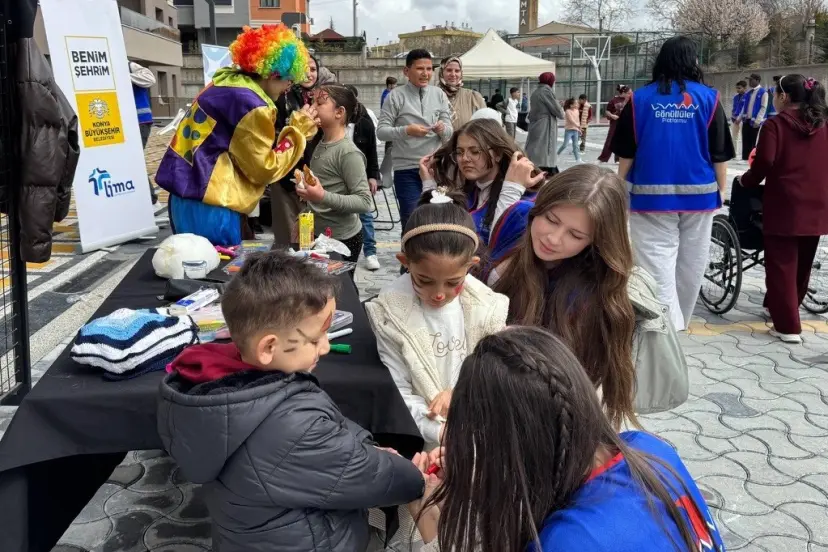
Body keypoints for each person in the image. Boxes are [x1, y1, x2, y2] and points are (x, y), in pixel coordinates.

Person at [157, 251, 425, 552]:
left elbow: (334, 450)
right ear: (268, 347)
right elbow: (375, 478)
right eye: (314, 339)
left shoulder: (212, 388)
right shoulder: (291, 426)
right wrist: (413, 475)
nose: (325, 347)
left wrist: (366, 448)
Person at [408, 327, 725, 552]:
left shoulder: (566, 541)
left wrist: (432, 526)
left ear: (507, 449)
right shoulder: (647, 448)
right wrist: (483, 485)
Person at [490, 164, 687, 427]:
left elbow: (593, 398)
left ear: (596, 241)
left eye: (575, 234)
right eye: (551, 219)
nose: (554, 238)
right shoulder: (515, 228)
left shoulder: (601, 296)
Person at [365, 189, 509, 449]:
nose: (439, 294)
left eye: (453, 282)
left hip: (482, 433)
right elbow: (400, 391)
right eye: (424, 280)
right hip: (426, 440)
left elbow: (497, 374)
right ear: (404, 262)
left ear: (471, 265)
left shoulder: (487, 308)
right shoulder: (390, 315)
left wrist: (463, 394)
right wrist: (441, 432)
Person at [155, 25, 319, 246]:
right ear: (272, 73)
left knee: (191, 266)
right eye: (288, 80)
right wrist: (297, 132)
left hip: (183, 197)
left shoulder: (223, 82)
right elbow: (265, 169)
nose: (288, 87)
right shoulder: (252, 105)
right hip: (212, 203)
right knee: (216, 272)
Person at [612, 36, 735, 331]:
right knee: (693, 262)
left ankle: (667, 327)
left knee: (655, 264)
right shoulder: (710, 98)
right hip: (700, 196)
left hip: (650, 198)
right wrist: (721, 189)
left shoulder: (639, 100)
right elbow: (719, 152)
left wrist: (617, 187)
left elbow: (626, 153)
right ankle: (680, 322)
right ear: (693, 62)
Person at [739, 75, 828, 344]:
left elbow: (764, 161)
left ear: (784, 97)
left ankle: (788, 325)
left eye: (776, 94)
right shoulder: (822, 124)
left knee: (781, 264)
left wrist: (747, 180)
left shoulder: (775, 125)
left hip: (785, 203)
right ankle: (782, 306)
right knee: (802, 262)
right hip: (818, 202)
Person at [421, 118, 546, 273]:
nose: (465, 159)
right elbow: (434, 230)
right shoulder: (471, 191)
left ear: (498, 154)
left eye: (475, 151)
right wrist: (429, 183)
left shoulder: (524, 198)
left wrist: (511, 189)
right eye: (460, 152)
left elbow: (498, 245)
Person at [295, 84, 373, 266]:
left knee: (340, 291)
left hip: (342, 239)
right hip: (318, 233)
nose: (312, 108)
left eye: (319, 104)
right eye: (312, 102)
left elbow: (364, 202)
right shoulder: (320, 142)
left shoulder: (348, 152)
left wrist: (322, 196)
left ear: (339, 112)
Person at [377, 49, 453, 233]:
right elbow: (381, 132)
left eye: (429, 69)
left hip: (436, 168)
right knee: (411, 220)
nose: (425, 73)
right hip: (407, 170)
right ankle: (409, 261)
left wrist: (443, 129)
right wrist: (406, 130)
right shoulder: (395, 96)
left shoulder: (439, 94)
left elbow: (450, 132)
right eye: (420, 68)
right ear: (406, 71)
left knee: (439, 220)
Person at [269, 55, 337, 246]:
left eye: (314, 69)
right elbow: (275, 134)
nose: (309, 73)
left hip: (315, 170)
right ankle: (288, 270)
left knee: (309, 231)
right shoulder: (281, 98)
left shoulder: (324, 97)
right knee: (289, 230)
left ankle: (306, 266)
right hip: (286, 171)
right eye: (304, 69)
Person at [344, 84, 382, 271]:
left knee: (365, 215)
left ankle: (370, 252)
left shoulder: (365, 122)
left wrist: (373, 176)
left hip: (361, 175)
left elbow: (372, 152)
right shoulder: (329, 122)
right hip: (338, 177)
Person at [129, 60, 158, 205]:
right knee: (129, 160)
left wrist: (124, 77)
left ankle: (151, 200)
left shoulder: (130, 66)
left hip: (140, 121)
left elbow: (150, 79)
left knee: (134, 160)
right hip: (125, 123)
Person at [526, 72, 564, 175]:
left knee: (536, 148)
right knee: (545, 151)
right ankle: (544, 173)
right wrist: (560, 106)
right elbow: (559, 112)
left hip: (536, 124)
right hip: (545, 125)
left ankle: (535, 170)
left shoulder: (536, 91)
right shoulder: (546, 91)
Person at [438, 56, 486, 129]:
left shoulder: (473, 97)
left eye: (457, 71)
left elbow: (486, 125)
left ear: (461, 73)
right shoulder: (432, 95)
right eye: (449, 70)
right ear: (441, 72)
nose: (453, 74)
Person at [598, 84, 630, 163]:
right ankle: (603, 158)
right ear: (623, 92)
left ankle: (618, 159)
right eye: (629, 93)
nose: (630, 94)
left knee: (623, 141)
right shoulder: (614, 100)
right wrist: (612, 116)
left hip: (625, 123)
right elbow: (607, 111)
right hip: (615, 123)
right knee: (610, 140)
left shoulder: (630, 100)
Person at [740, 73, 768, 160]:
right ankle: (744, 158)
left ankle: (752, 159)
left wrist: (758, 120)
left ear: (757, 81)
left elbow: (763, 107)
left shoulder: (763, 92)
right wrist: (740, 117)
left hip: (755, 121)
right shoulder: (748, 93)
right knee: (745, 139)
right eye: (749, 80)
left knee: (753, 140)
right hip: (746, 120)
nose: (749, 82)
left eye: (751, 80)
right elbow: (744, 107)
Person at [557, 97, 583, 163]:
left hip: (575, 130)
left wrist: (579, 129)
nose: (577, 104)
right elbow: (572, 121)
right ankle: (557, 154)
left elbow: (577, 120)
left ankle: (578, 159)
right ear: (571, 105)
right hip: (569, 130)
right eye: (576, 103)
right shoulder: (568, 111)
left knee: (575, 145)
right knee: (565, 144)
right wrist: (578, 126)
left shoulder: (577, 111)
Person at [731, 80, 747, 145]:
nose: (737, 89)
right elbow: (734, 108)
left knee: (744, 137)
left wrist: (740, 119)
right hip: (734, 119)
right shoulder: (735, 97)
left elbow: (746, 109)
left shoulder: (748, 97)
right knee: (734, 137)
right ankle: (735, 153)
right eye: (737, 88)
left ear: (745, 88)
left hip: (743, 120)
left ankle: (745, 153)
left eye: (739, 88)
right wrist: (733, 117)